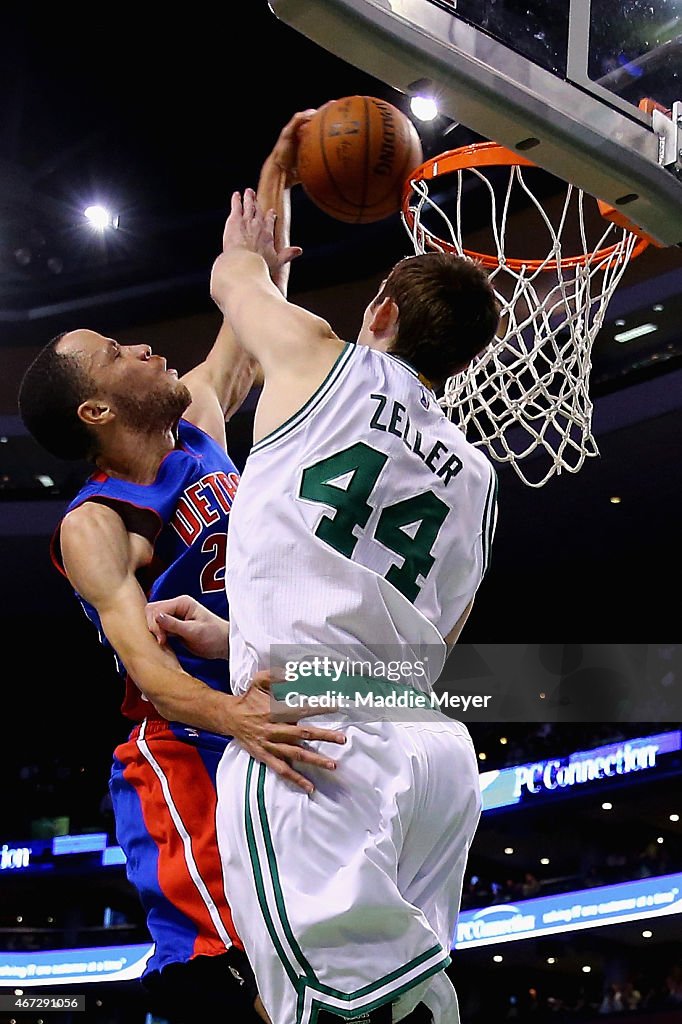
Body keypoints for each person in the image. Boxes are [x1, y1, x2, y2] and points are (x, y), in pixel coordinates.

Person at [16, 113, 345, 1024]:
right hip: (186, 744)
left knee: (304, 959)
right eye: (119, 353)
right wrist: (231, 716)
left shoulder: (197, 416)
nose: (146, 348)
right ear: (93, 409)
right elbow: (151, 672)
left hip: (265, 696)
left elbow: (254, 313)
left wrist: (276, 185)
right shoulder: (99, 524)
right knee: (219, 965)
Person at [150, 183, 500, 1024]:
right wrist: (236, 636)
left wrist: (258, 257)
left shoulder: (319, 355)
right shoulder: (479, 482)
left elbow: (231, 281)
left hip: (313, 739)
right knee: (402, 1002)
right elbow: (424, 655)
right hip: (432, 754)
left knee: (327, 1009)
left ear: (378, 310)